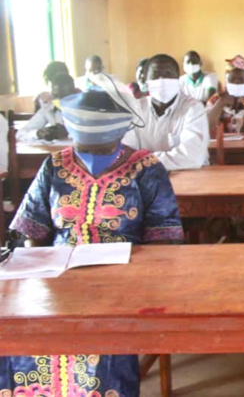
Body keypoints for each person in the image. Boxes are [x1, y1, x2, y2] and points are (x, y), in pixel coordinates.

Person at [3, 88, 183, 397]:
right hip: (59, 276)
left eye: (102, 148)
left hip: (123, 277)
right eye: (84, 147)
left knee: (103, 346)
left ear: (119, 136)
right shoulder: (55, 165)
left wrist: (140, 281)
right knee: (21, 331)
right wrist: (40, 271)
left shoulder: (146, 168)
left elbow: (164, 238)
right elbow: (32, 228)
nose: (91, 155)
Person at [123, 54, 210, 171]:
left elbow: (193, 157)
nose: (162, 79)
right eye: (155, 75)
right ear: (146, 80)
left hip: (189, 176)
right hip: (146, 177)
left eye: (168, 74)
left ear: (178, 79)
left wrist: (143, 161)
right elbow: (126, 153)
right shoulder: (135, 109)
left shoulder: (193, 108)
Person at [18, 73, 76, 142]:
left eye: (64, 97)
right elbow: (20, 134)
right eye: (55, 96)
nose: (59, 100)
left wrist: (67, 133)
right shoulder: (48, 108)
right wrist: (39, 133)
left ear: (75, 94)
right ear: (52, 94)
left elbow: (88, 137)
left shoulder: (84, 109)